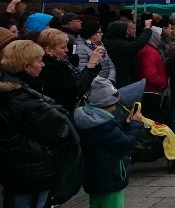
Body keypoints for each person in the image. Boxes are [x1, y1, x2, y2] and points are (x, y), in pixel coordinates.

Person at [0, 40, 74, 208]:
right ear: (26, 67)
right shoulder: (24, 97)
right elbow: (59, 129)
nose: (43, 65)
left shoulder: (13, 90)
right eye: (39, 61)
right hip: (32, 170)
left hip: (18, 170)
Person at [74, 77, 144, 208]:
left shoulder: (90, 120)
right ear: (107, 104)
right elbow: (126, 143)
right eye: (114, 104)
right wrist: (135, 123)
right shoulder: (105, 126)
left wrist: (126, 124)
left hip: (94, 178)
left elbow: (113, 137)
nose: (116, 107)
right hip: (109, 179)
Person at [38, 28, 103, 114]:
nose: (67, 50)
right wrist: (91, 65)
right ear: (48, 50)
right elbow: (75, 90)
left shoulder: (61, 62)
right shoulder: (50, 68)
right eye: (63, 47)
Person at [136, 26, 168, 121]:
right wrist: (162, 84)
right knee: (151, 118)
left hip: (152, 89)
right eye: (159, 36)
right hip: (151, 90)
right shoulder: (149, 52)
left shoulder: (151, 50)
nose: (160, 39)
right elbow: (150, 74)